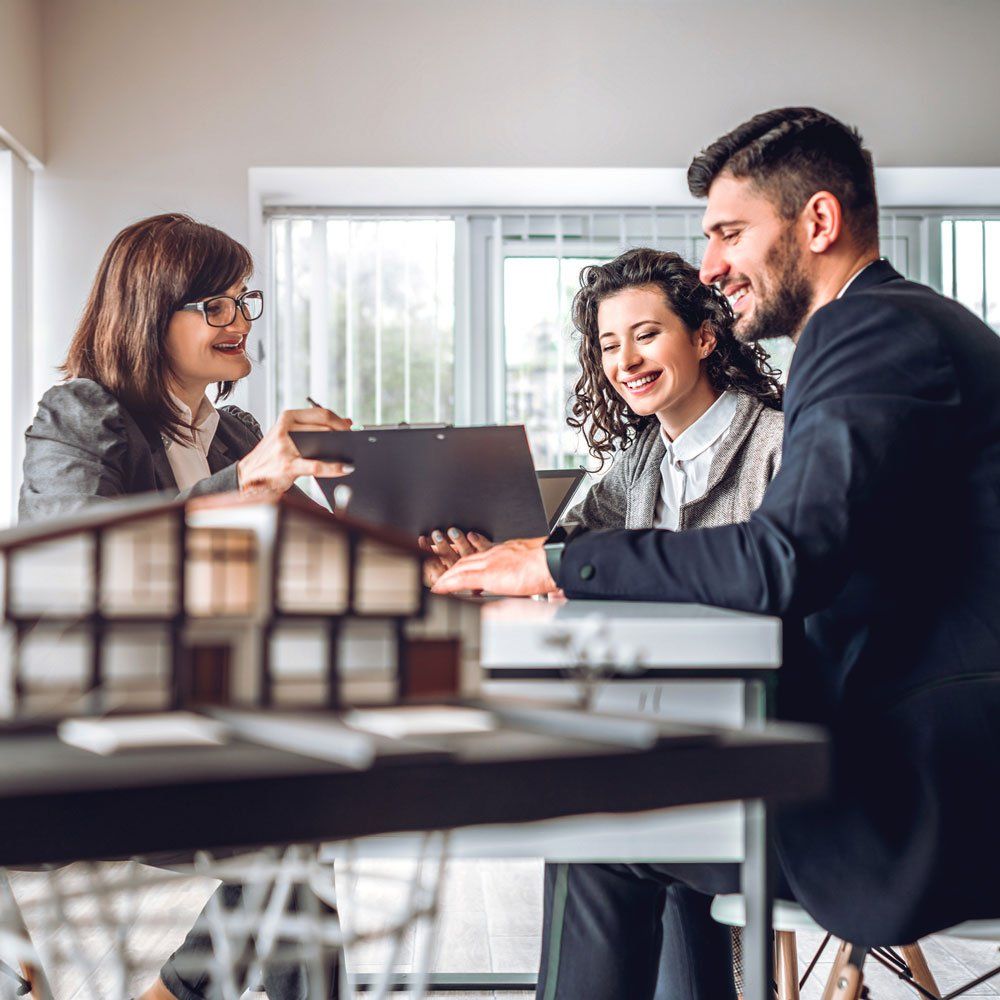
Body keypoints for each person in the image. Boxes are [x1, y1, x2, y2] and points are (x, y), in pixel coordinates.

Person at [434, 107, 1000, 998]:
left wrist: (553, 566)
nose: (711, 267)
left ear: (818, 221)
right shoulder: (895, 328)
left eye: (731, 233)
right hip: (923, 766)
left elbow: (782, 562)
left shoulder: (868, 335)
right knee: (640, 799)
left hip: (924, 801)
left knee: (605, 828)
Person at [426, 247, 784, 998]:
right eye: (609, 344)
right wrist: (495, 560)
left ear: (706, 337)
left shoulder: (777, 444)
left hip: (768, 745)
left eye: (646, 334)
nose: (626, 360)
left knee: (598, 827)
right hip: (682, 737)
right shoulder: (644, 458)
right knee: (620, 798)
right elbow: (566, 554)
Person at [20, 213, 352, 1000]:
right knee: (300, 818)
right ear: (147, 313)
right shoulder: (76, 414)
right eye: (215, 305)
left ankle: (177, 991)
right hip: (92, 729)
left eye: (243, 300)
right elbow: (73, 559)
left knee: (312, 804)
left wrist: (391, 516)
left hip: (205, 713)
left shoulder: (232, 434)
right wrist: (243, 489)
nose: (238, 320)